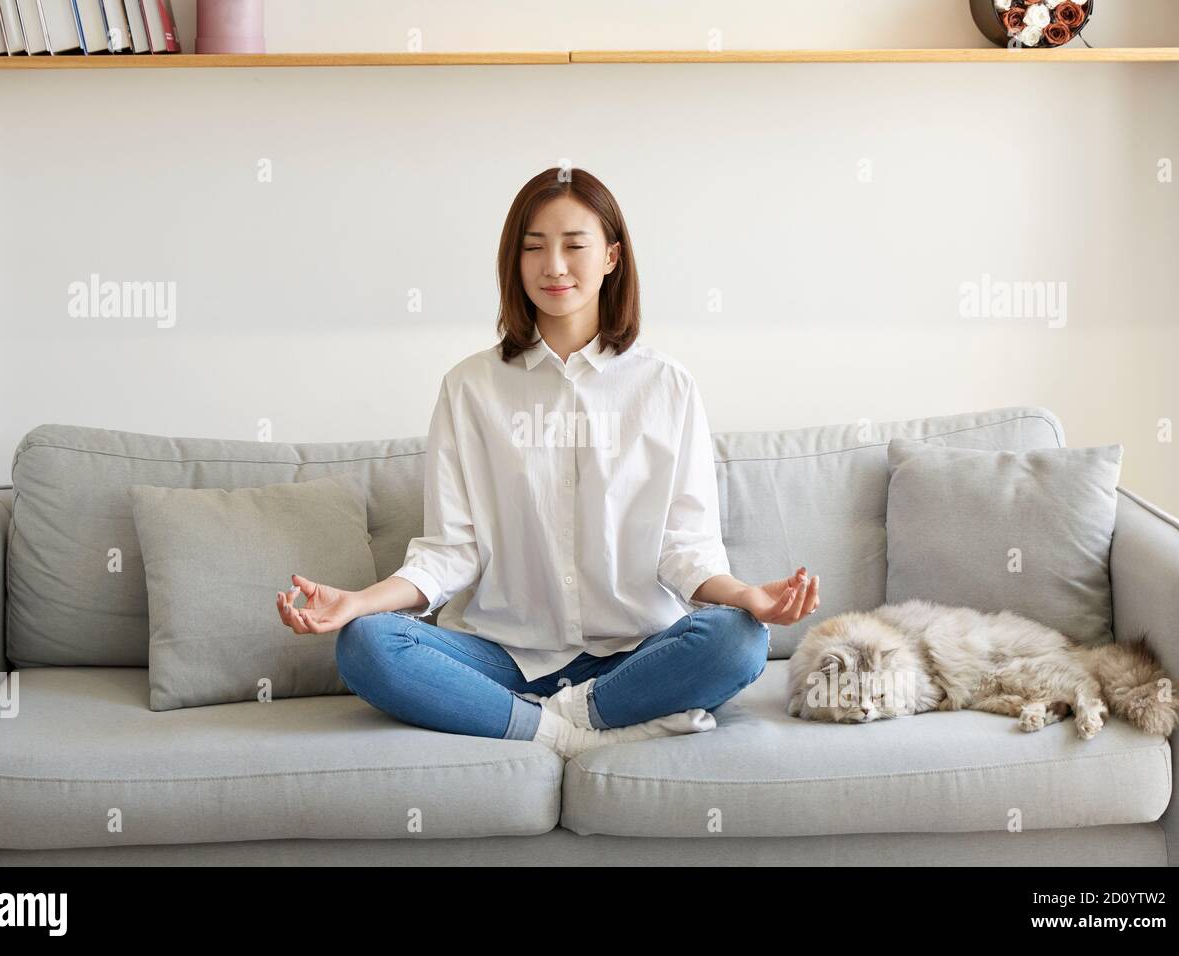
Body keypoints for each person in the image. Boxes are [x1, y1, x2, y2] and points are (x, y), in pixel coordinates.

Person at [276, 167, 821, 758]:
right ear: (514, 262)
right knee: (365, 645)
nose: (553, 265)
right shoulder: (470, 388)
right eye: (533, 247)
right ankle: (569, 732)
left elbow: (683, 547)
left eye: (574, 245)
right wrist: (358, 602)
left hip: (633, 655)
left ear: (611, 257)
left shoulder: (668, 387)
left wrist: (748, 598)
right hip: (501, 657)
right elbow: (451, 551)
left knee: (739, 640)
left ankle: (552, 718)